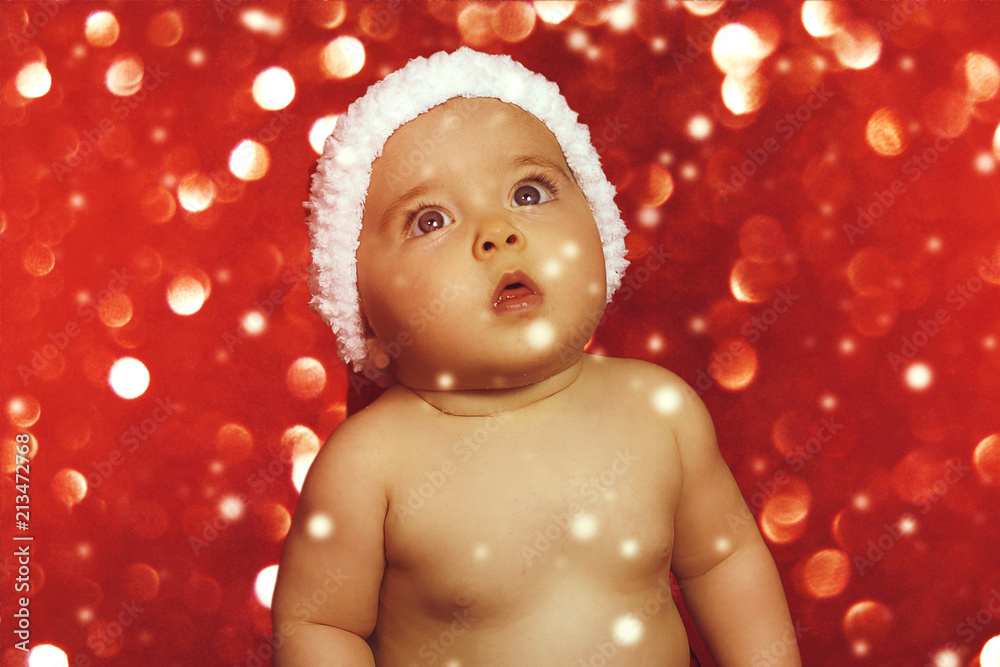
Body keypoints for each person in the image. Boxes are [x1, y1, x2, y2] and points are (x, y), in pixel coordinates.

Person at [272, 47, 800, 667]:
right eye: (430, 220)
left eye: (528, 192)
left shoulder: (659, 411)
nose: (498, 233)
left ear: (601, 229)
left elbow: (723, 559)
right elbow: (318, 625)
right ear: (363, 317)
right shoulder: (369, 465)